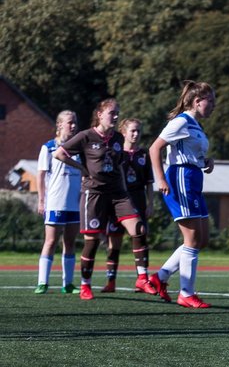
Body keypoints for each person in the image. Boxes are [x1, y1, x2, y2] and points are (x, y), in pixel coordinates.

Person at [54, 99, 159, 301]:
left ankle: (142, 278)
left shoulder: (118, 138)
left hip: (118, 194)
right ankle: (85, 284)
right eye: (112, 113)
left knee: (139, 229)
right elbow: (60, 154)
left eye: (118, 112)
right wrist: (82, 169)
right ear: (100, 114)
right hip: (94, 194)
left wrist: (125, 188)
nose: (116, 116)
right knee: (92, 241)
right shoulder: (85, 136)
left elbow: (119, 164)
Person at [149, 81, 217, 309]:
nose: (214, 106)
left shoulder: (195, 125)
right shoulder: (181, 122)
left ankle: (160, 277)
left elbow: (191, 152)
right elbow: (154, 148)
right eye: (211, 101)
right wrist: (160, 179)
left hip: (194, 178)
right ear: (197, 102)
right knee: (192, 240)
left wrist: (205, 162)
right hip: (180, 179)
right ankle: (186, 293)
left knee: (202, 239)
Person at [102, 117, 154, 293]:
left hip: (138, 200)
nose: (136, 134)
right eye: (132, 130)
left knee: (140, 237)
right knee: (113, 243)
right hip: (117, 201)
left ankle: (143, 279)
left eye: (138, 131)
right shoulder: (116, 153)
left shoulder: (144, 155)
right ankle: (110, 281)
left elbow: (149, 183)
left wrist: (150, 204)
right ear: (123, 132)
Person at [34, 110, 81, 294]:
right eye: (69, 122)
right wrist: (41, 200)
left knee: (70, 242)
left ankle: (67, 284)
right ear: (59, 125)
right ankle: (42, 282)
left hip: (74, 203)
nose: (73, 125)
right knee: (51, 241)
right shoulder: (49, 147)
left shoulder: (79, 148)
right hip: (55, 202)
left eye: (75, 122)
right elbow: (40, 174)